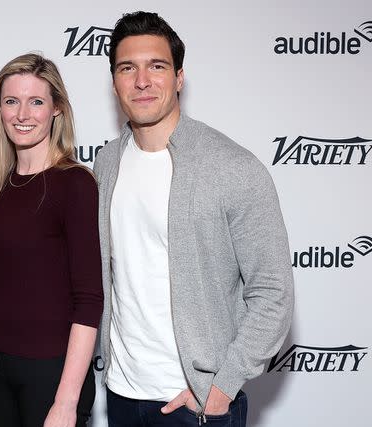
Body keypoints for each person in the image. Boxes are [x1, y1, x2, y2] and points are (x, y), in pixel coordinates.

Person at [93, 11, 294, 427]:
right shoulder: (106, 163)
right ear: (114, 81)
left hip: (196, 405)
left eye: (157, 66)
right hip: (121, 392)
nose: (142, 81)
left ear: (179, 77)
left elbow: (273, 292)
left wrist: (221, 385)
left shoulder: (233, 167)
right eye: (128, 68)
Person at [0, 53, 103, 427]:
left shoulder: (75, 184)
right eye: (11, 101)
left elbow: (89, 299)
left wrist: (66, 401)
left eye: (36, 102)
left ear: (56, 109)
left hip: (52, 377)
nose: (22, 114)